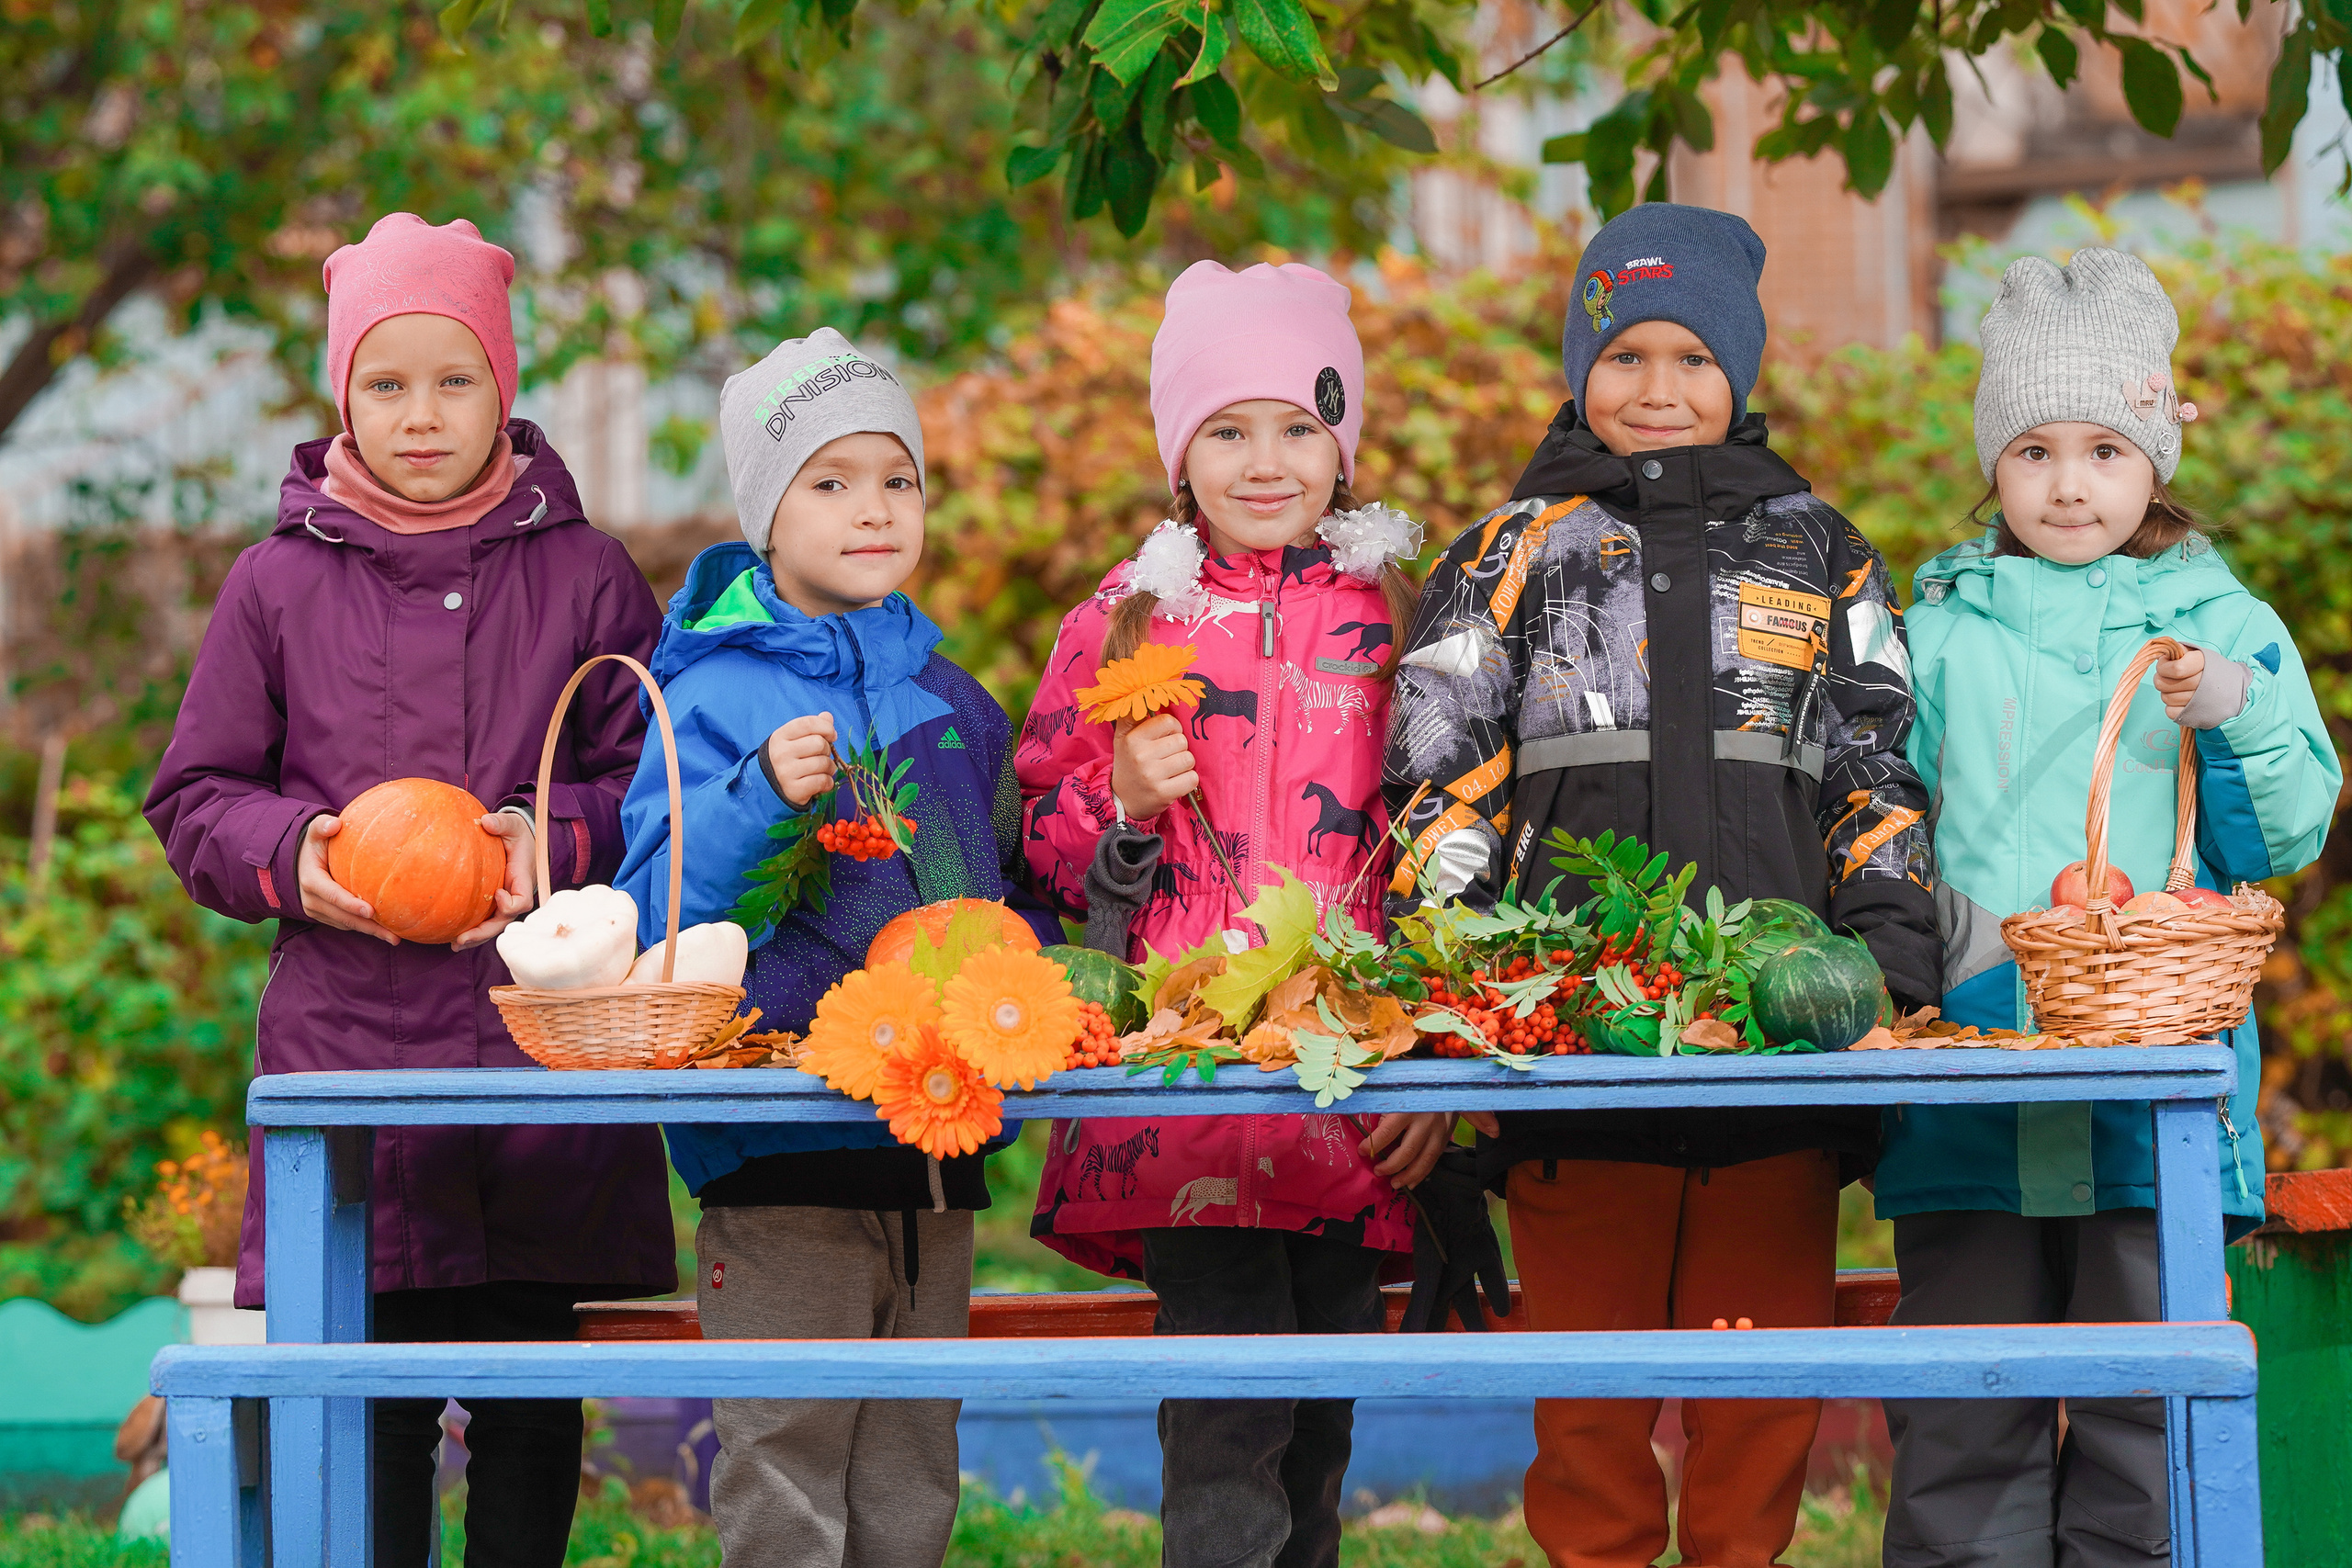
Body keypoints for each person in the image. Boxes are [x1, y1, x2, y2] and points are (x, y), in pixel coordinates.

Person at [1384, 203, 1941, 1568]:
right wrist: (1461, 984)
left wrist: (1887, 954)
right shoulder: (1510, 550)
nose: (1658, 388)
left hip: (1778, 1046)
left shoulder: (1822, 551)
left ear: (1740, 376)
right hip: (1575, 1042)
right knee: (1588, 1398)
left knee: (1761, 1402)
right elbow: (1436, 769)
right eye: (1625, 355)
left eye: (1694, 359)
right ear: (1580, 366)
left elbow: (1876, 758)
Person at [146, 212, 676, 1566]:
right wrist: (297, 854)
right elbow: (198, 795)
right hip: (351, 1056)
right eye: (387, 384)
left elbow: (660, 787)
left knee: (525, 1396)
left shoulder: (587, 574)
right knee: (365, 1402)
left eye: (455, 380)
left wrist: (541, 838)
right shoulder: (274, 586)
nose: (422, 414)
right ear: (342, 401)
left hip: (539, 1042)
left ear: (503, 387)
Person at [1873, 247, 2338, 1568]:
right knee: (1970, 1411)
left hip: (2158, 1097)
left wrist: (2236, 713)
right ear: (1993, 465)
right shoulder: (1940, 630)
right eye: (2031, 451)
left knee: (2150, 1415)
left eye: (2103, 449)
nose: (2069, 484)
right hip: (1980, 1076)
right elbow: (1888, 824)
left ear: (2155, 459)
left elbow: (2290, 829)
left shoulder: (2220, 623)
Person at [1017, 259, 1445, 1568]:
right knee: (1223, 1422)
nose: (1266, 462)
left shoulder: (1401, 618)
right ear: (1179, 451)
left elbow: (1451, 853)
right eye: (1227, 428)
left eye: (1299, 428)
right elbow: (1038, 834)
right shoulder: (1127, 618)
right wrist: (1124, 808)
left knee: (1318, 1425)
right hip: (1187, 1074)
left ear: (1342, 445)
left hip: (1352, 1076)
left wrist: (1434, 1052)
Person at [612, 327, 1042, 1568]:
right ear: (767, 515)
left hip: (936, 1147)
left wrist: (1057, 965)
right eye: (830, 481)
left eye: (896, 479)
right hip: (780, 1151)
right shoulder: (707, 699)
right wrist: (757, 792)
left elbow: (1004, 893)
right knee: (787, 1457)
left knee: (912, 1465)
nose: (872, 509)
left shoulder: (955, 704)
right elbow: (657, 918)